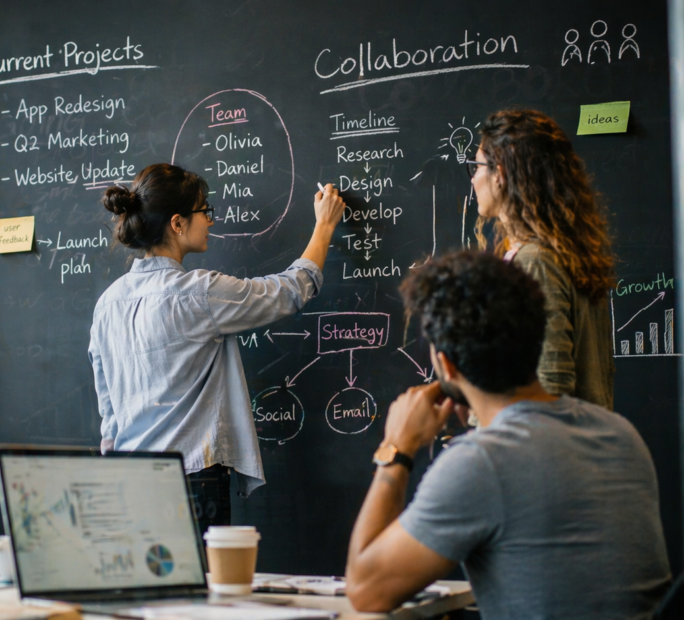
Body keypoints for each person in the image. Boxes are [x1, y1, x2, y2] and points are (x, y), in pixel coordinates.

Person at [346, 251, 671, 617]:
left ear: (447, 366)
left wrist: (397, 448)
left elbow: (365, 590)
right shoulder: (620, 434)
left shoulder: (481, 461)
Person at [89, 164, 345, 530]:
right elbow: (288, 292)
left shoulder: (107, 305)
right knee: (204, 584)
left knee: (158, 586)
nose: (209, 220)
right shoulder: (198, 293)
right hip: (191, 477)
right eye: (203, 211)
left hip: (131, 480)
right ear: (177, 223)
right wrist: (324, 225)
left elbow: (109, 412)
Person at [468, 109, 615, 409]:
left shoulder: (535, 263)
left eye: (477, 167)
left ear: (501, 175)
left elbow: (548, 394)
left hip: (542, 451)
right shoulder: (562, 253)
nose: (472, 179)